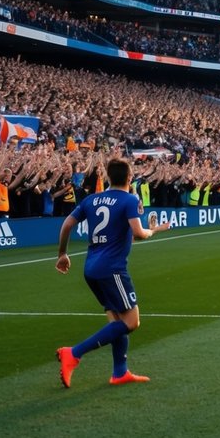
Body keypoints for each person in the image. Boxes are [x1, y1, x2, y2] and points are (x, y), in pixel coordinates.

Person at [54, 157, 171, 388]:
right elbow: (138, 233)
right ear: (130, 178)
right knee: (131, 321)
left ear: (108, 177)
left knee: (116, 320)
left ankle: (119, 372)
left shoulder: (92, 199)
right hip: (112, 270)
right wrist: (154, 230)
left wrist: (62, 254)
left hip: (91, 269)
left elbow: (67, 223)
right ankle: (74, 353)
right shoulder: (129, 199)